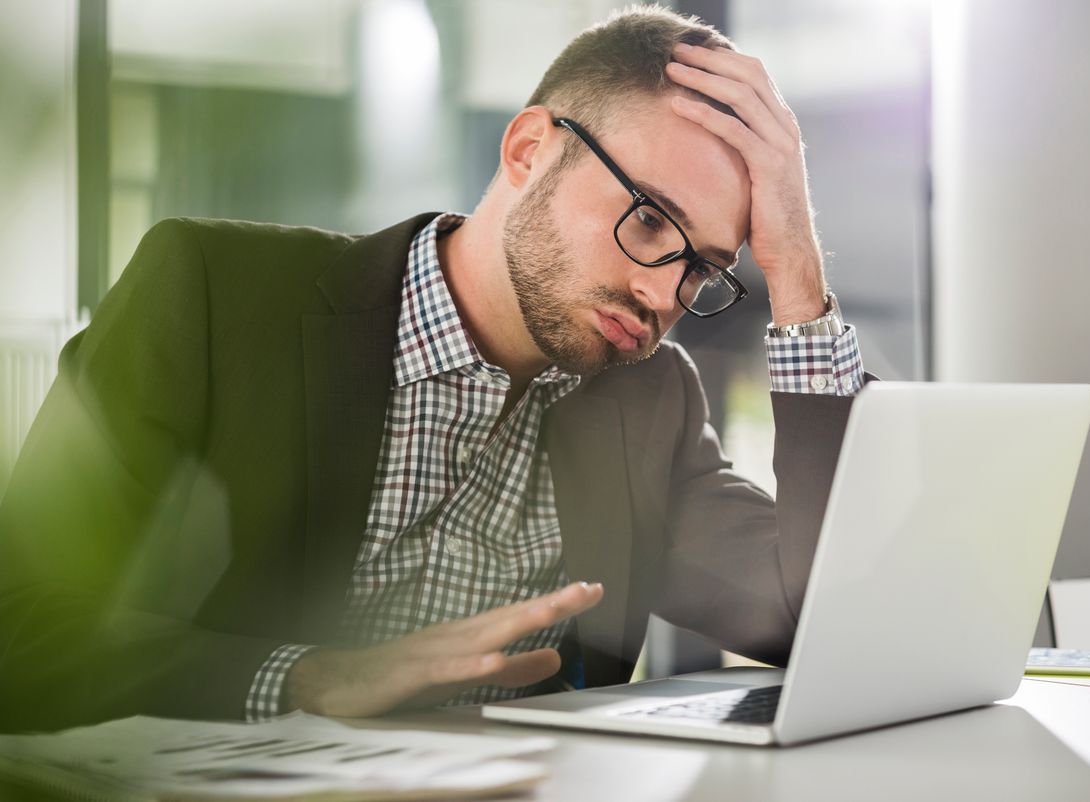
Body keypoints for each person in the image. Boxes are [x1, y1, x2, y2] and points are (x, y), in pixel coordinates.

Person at [0, 6, 866, 732]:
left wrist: (796, 270)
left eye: (702, 270)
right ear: (529, 150)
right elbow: (22, 629)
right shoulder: (211, 297)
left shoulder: (649, 399)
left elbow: (826, 616)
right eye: (646, 221)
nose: (659, 292)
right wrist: (310, 677)